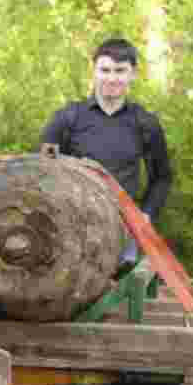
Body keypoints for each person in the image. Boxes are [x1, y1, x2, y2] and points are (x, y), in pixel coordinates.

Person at [39, 37, 173, 264]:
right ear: (94, 71)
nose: (111, 78)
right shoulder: (66, 118)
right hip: (72, 231)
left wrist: (146, 215)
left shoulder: (146, 123)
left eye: (120, 71)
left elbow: (162, 177)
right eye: (105, 70)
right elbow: (43, 169)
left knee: (121, 295)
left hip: (124, 232)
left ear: (133, 74)